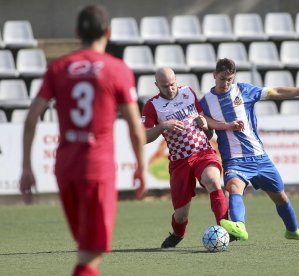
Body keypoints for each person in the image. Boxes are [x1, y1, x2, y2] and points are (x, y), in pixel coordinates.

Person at [19, 5, 147, 276]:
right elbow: (135, 126)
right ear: (108, 32)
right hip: (96, 170)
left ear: (77, 33)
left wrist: (26, 167)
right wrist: (141, 167)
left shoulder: (58, 67)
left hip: (64, 167)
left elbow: (31, 119)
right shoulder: (118, 69)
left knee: (86, 248)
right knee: (91, 253)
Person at [200, 58, 299, 244]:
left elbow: (275, 91)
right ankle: (239, 226)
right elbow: (205, 122)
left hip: (259, 157)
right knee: (234, 188)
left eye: (229, 79)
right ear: (214, 76)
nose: (226, 83)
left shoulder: (243, 90)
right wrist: (219, 126)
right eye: (222, 79)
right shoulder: (205, 102)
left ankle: (293, 231)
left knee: (281, 197)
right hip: (234, 159)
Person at [142, 67, 230, 248]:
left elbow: (204, 122)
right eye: (165, 86)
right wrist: (163, 126)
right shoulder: (152, 105)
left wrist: (205, 124)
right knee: (181, 215)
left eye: (172, 84)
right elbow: (143, 137)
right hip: (179, 161)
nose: (170, 89)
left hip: (202, 152)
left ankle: (225, 229)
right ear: (156, 85)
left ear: (176, 81)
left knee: (213, 181)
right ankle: (178, 234)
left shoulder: (188, 93)